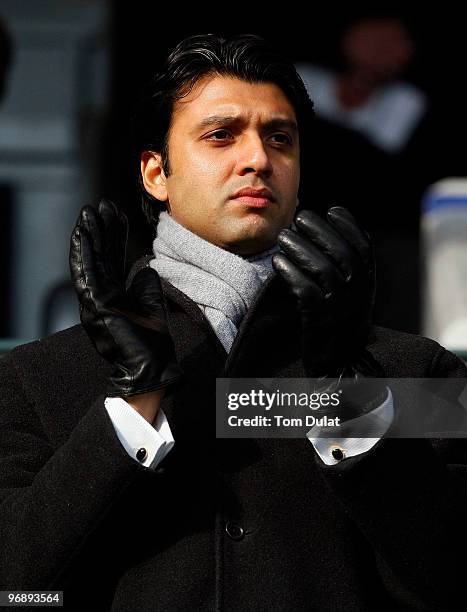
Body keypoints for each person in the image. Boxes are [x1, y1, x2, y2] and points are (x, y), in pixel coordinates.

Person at [0, 33, 466, 611]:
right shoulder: (32, 380)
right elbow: (16, 587)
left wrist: (349, 396)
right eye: (221, 135)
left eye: (280, 138)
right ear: (155, 173)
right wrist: (133, 407)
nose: (258, 159)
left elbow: (451, 585)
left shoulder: (417, 372)